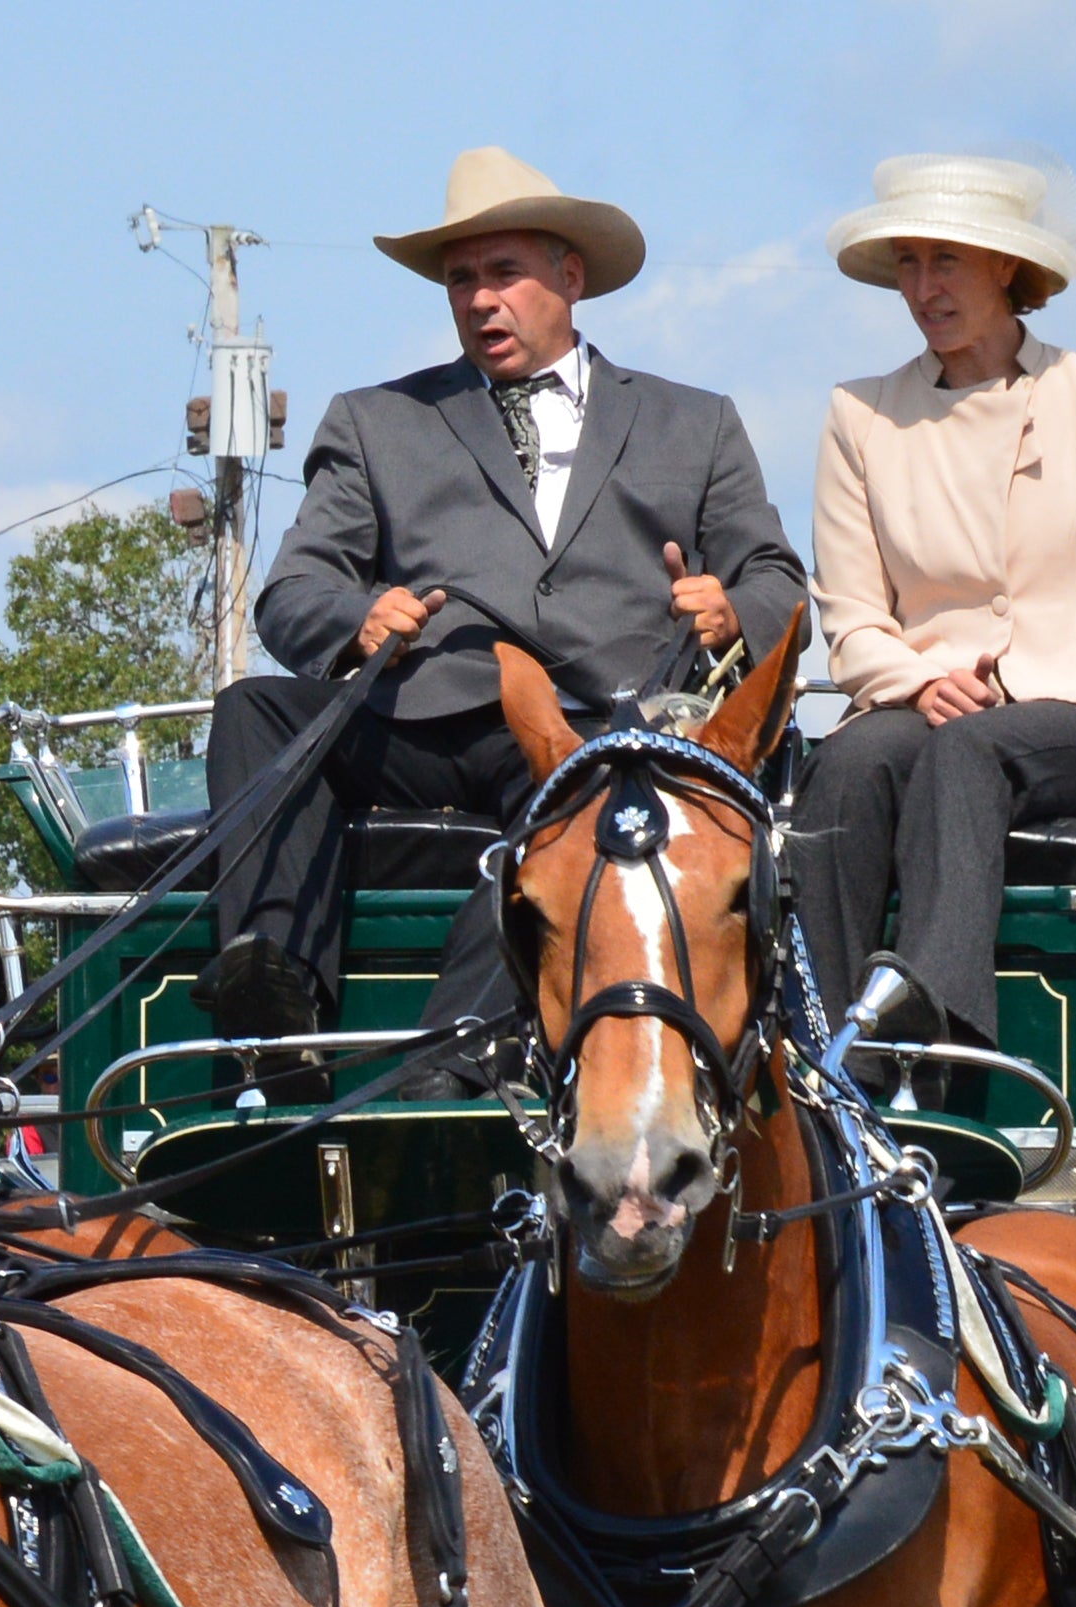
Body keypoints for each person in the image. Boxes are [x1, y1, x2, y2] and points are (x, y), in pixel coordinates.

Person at [203, 147, 808, 1071]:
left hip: (591, 736)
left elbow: (778, 578)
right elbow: (291, 594)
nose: (481, 300)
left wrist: (731, 610)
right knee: (253, 712)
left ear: (571, 278)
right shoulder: (376, 422)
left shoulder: (697, 422)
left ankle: (444, 1066)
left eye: (504, 275)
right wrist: (357, 621)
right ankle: (275, 1007)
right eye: (461, 281)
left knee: (569, 804)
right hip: (419, 712)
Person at [788, 153, 1076, 1067]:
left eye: (945, 261)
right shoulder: (860, 414)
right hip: (925, 706)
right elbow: (854, 619)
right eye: (908, 264)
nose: (923, 288)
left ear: (1006, 268)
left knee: (969, 751)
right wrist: (915, 681)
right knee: (848, 762)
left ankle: (944, 1037)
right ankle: (832, 1058)